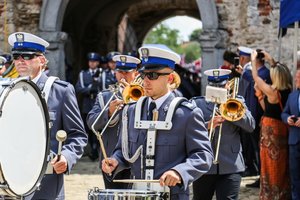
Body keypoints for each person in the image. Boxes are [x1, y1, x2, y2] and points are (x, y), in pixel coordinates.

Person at [102, 45, 213, 199]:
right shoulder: (131, 110)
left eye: (153, 75)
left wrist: (179, 172)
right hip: (137, 194)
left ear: (170, 78)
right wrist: (115, 160)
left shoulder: (187, 114)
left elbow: (203, 155)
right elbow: (124, 150)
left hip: (173, 195)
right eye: (143, 74)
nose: (145, 81)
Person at [8, 32, 87, 200]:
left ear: (42, 61)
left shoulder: (61, 91)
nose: (20, 60)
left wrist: (66, 157)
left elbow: (78, 135)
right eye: (16, 56)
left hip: (45, 186)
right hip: (9, 182)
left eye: (28, 56)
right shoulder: (5, 90)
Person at [192, 69, 255, 200]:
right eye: (214, 87)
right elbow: (188, 130)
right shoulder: (197, 103)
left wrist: (233, 112)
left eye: (221, 86)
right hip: (204, 165)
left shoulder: (238, 102)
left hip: (231, 165)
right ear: (208, 86)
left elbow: (251, 126)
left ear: (227, 85)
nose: (218, 90)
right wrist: (208, 125)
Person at [86, 54, 141, 189]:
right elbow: (91, 123)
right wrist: (108, 112)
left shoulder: (144, 95)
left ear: (136, 73)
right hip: (110, 158)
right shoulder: (104, 96)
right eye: (119, 72)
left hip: (137, 159)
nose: (122, 76)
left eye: (126, 72)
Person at [251, 50, 292, 200]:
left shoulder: (273, 92)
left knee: (269, 166)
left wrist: (253, 60)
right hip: (279, 132)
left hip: (270, 135)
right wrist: (271, 59)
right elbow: (267, 109)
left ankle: (271, 195)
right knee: (280, 166)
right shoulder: (286, 90)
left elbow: (255, 76)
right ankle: (280, 193)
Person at [75, 52, 103, 161]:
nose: (92, 63)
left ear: (98, 63)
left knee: (97, 128)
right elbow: (78, 88)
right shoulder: (83, 74)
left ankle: (96, 149)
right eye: (91, 61)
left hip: (98, 103)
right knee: (87, 128)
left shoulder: (102, 73)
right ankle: (92, 148)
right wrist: (89, 89)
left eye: (94, 61)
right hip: (87, 104)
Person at [281, 68, 300, 200]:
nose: (296, 79)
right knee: (295, 176)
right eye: (296, 77)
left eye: (299, 77)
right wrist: (287, 118)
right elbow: (284, 113)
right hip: (294, 142)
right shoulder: (292, 96)